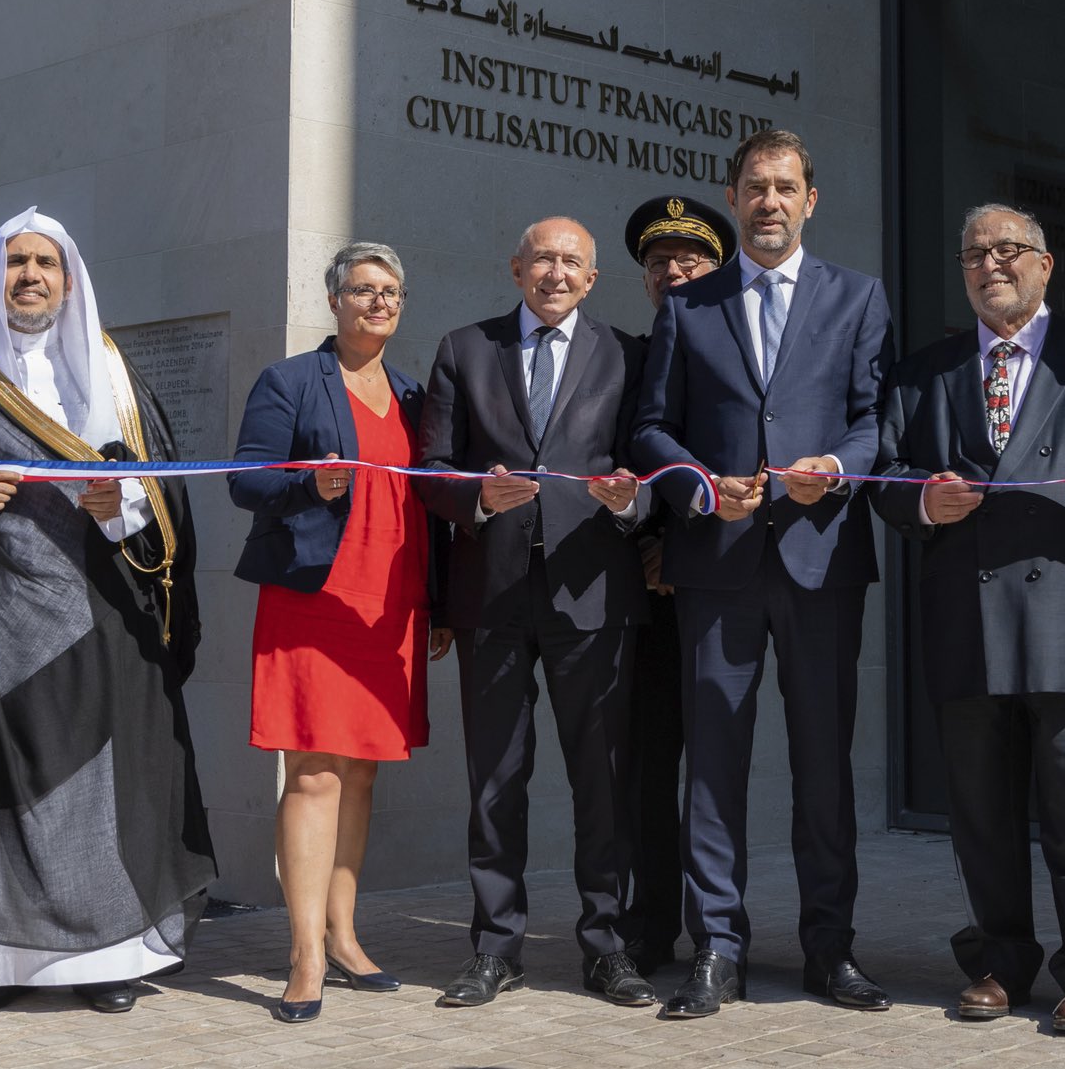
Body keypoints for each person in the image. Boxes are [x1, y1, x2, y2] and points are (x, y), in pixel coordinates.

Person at [0, 208, 215, 1015]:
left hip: (97, 615)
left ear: (70, 278)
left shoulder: (111, 375)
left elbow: (164, 491)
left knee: (99, 782)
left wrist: (121, 502)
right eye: (16, 262)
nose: (30, 275)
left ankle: (106, 958)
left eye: (46, 263)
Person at [873, 205, 1065, 1037]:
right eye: (973, 254)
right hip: (965, 614)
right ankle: (999, 960)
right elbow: (886, 473)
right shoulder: (921, 372)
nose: (989, 263)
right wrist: (922, 501)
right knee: (980, 810)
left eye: (1007, 250)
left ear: (1046, 263)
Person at [632, 129, 895, 1019]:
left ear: (810, 199)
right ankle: (717, 946)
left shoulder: (858, 298)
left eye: (785, 187)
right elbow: (652, 430)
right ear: (734, 196)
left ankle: (830, 948)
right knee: (713, 763)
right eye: (755, 187)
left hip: (821, 560)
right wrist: (701, 488)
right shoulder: (687, 305)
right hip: (718, 566)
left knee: (824, 763)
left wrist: (837, 466)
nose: (770, 201)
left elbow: (874, 421)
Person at [418, 218, 654, 1009]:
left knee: (603, 781)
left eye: (572, 263)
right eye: (543, 258)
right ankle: (495, 946)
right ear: (516, 266)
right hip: (492, 593)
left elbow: (647, 466)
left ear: (592, 279)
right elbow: (428, 470)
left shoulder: (627, 353)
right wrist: (473, 496)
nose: (556, 272)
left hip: (593, 595)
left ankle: (607, 946)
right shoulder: (463, 347)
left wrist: (633, 501)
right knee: (495, 780)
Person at [230, 242, 445, 1024]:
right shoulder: (290, 380)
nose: (377, 302)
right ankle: (304, 953)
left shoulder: (418, 395)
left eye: (390, 290)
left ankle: (346, 935)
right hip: (315, 599)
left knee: (361, 775)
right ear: (334, 300)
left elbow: (435, 506)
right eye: (362, 289)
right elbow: (244, 477)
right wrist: (306, 481)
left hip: (391, 606)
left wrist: (442, 605)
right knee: (314, 772)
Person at [618, 193, 735, 976]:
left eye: (689, 259)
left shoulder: (728, 344)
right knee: (648, 771)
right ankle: (648, 930)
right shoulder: (621, 355)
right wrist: (646, 545)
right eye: (659, 262)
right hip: (643, 602)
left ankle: (716, 934)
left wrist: (679, 545)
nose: (672, 271)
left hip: (720, 580)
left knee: (717, 774)